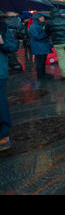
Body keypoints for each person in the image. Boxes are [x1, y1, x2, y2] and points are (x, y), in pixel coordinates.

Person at [0, 11, 19, 151]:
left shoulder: (3, 28)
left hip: (0, 72)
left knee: (1, 103)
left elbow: (12, 46)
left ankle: (3, 136)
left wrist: (2, 43)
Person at [29, 13, 53, 80]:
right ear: (37, 18)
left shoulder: (40, 25)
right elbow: (37, 36)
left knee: (42, 61)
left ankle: (43, 74)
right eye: (41, 17)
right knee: (40, 62)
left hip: (42, 46)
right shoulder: (33, 27)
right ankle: (40, 76)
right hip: (39, 47)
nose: (43, 18)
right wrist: (46, 32)